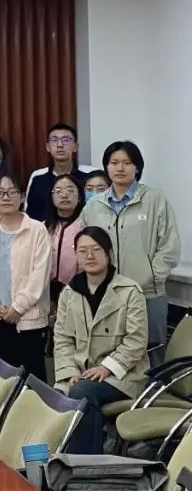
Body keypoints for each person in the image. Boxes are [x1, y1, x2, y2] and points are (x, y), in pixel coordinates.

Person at [80, 141, 180, 365]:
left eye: (127, 162)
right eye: (114, 162)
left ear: (137, 167)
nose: (120, 168)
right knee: (111, 355)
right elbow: (85, 247)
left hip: (148, 294)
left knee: (152, 354)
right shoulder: (94, 206)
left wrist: (151, 277)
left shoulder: (154, 199)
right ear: (106, 167)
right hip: (107, 294)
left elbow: (170, 245)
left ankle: (154, 389)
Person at [54, 226, 148, 454]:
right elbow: (63, 339)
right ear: (76, 255)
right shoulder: (69, 293)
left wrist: (106, 368)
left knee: (82, 392)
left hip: (122, 376)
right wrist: (69, 372)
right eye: (83, 251)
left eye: (96, 249)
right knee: (53, 395)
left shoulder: (129, 291)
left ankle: (86, 463)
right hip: (80, 372)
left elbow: (136, 341)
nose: (90, 256)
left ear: (109, 253)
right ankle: (56, 459)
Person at [0, 172, 51, 380]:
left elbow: (40, 275)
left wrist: (18, 307)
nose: (5, 197)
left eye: (11, 192)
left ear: (21, 197)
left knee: (30, 382)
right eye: (0, 193)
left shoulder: (37, 230)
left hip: (27, 319)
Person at [25, 124, 95, 221]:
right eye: (54, 140)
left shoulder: (90, 175)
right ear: (48, 147)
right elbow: (29, 213)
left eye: (66, 140)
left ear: (75, 147)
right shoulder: (37, 176)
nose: (60, 145)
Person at [47, 174, 85, 302]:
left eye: (70, 190)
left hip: (78, 292)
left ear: (79, 197)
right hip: (46, 292)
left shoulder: (86, 225)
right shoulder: (42, 227)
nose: (64, 195)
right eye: (58, 191)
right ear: (52, 197)